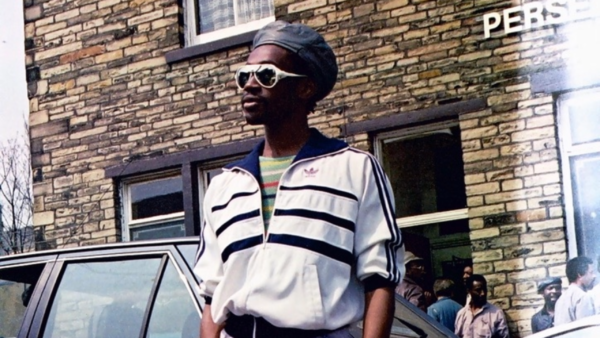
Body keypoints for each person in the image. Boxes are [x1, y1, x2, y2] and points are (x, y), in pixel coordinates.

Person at [194, 20, 405, 338]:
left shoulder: (354, 170)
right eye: (244, 75)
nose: (250, 84)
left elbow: (380, 280)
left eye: (266, 75)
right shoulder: (224, 185)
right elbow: (213, 295)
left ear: (305, 88)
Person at [554, 256, 596, 326]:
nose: (594, 276)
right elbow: (587, 330)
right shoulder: (582, 297)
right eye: (591, 272)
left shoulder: (561, 299)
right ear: (579, 274)